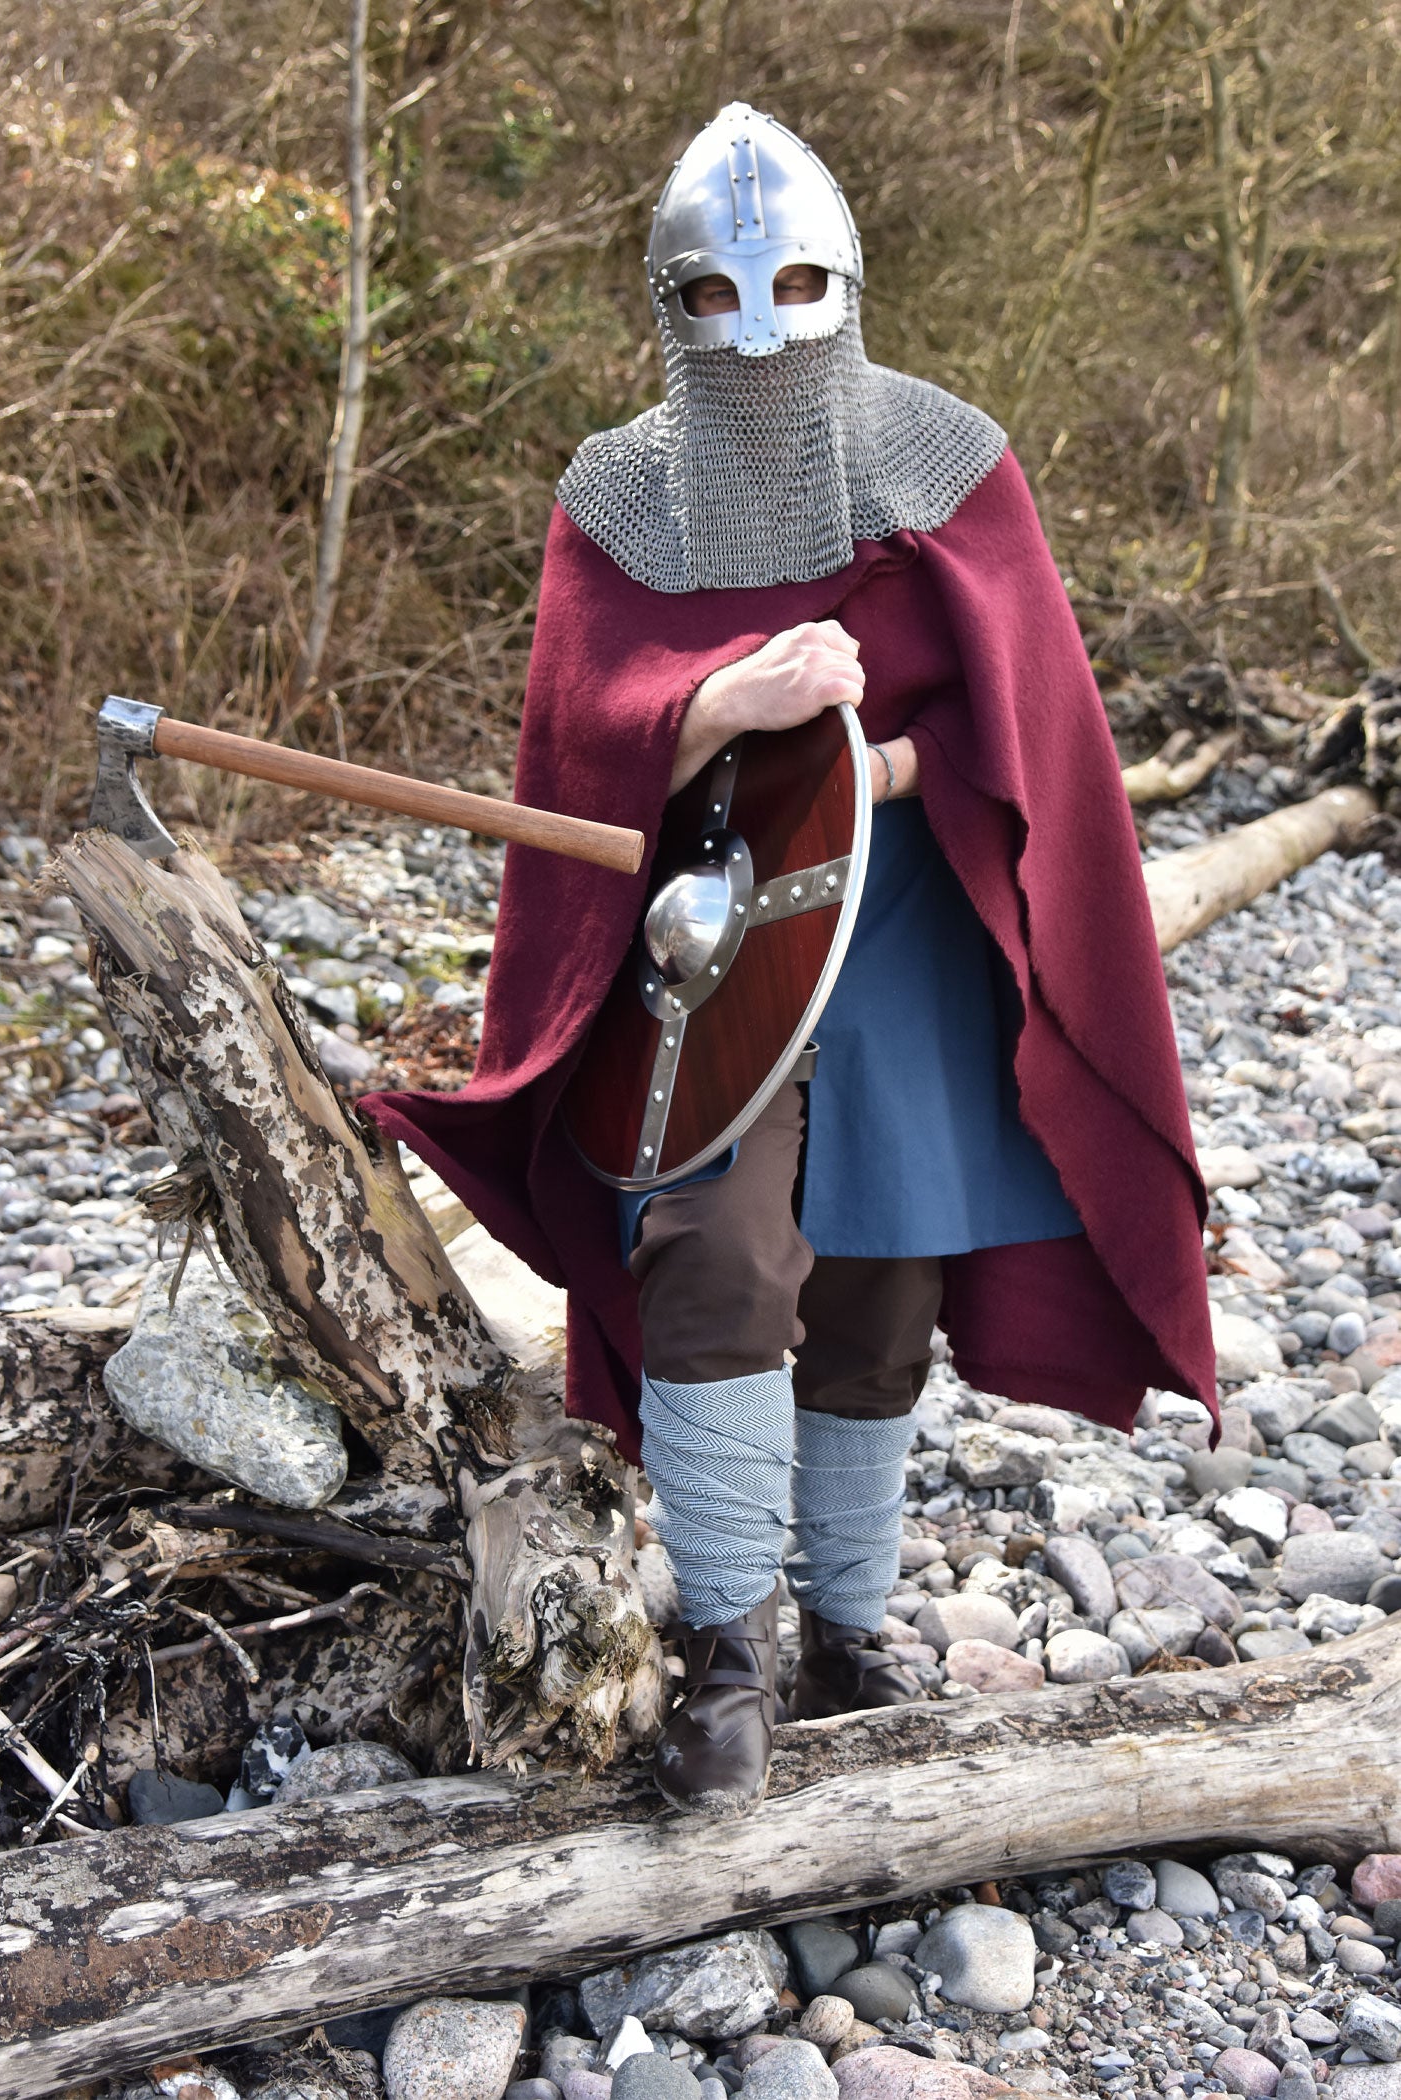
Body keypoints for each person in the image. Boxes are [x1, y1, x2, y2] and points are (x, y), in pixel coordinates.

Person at [360, 103, 1216, 1818]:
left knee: (885, 1279)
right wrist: (706, 709)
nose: (758, 322)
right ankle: (730, 1667)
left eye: (796, 281)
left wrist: (877, 764)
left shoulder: (946, 455)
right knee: (718, 1254)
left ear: (851, 279)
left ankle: (844, 1627)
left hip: (903, 921)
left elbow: (1037, 715)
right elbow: (570, 734)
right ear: (665, 305)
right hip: (712, 928)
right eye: (718, 293)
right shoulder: (619, 494)